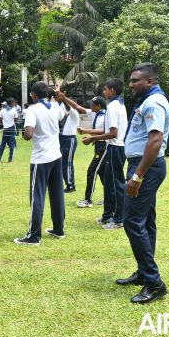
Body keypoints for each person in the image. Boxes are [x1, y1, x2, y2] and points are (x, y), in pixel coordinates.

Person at [117, 62, 169, 304]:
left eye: (135, 80)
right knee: (146, 221)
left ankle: (154, 282)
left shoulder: (154, 102)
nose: (130, 85)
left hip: (145, 167)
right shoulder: (147, 100)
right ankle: (144, 272)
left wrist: (137, 176)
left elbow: (155, 140)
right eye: (130, 80)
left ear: (149, 81)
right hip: (143, 165)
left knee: (131, 221)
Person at [13, 82, 66, 245]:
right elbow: (63, 117)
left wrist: (24, 133)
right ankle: (58, 229)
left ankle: (34, 236)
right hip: (56, 155)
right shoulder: (55, 106)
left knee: (37, 196)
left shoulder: (32, 110)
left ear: (34, 95)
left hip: (41, 158)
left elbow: (29, 134)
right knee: (57, 194)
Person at [82, 79, 128, 230]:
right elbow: (110, 130)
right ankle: (108, 214)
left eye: (105, 89)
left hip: (116, 148)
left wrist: (92, 138)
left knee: (116, 184)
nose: (104, 92)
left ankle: (119, 219)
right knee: (108, 182)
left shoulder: (113, 107)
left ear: (112, 91)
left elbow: (113, 133)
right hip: (112, 148)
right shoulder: (120, 104)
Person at [76, 97, 107, 208]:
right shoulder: (95, 114)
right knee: (102, 173)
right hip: (98, 145)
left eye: (92, 104)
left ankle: (88, 200)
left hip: (103, 146)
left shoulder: (106, 116)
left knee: (92, 170)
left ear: (99, 106)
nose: (90, 106)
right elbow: (78, 107)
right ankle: (109, 198)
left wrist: (86, 131)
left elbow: (105, 131)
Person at [58, 97, 80, 193]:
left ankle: (70, 185)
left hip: (70, 139)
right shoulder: (70, 115)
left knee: (67, 163)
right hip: (65, 139)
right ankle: (69, 183)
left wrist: (64, 99)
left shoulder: (74, 113)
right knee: (66, 163)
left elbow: (67, 107)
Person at [0, 98, 18, 164]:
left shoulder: (2, 110)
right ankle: (10, 160)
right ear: (11, 103)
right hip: (12, 128)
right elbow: (16, 119)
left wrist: (3, 123)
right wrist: (12, 122)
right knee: (12, 144)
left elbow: (0, 118)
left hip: (5, 129)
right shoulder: (14, 110)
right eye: (13, 102)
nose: (14, 103)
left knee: (3, 144)